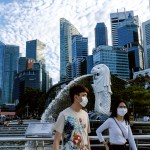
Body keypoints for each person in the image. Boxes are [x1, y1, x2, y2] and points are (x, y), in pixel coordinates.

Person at [53, 84, 91, 150]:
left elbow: (86, 137)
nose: (86, 99)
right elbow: (56, 141)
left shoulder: (85, 114)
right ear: (76, 97)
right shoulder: (64, 114)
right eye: (84, 95)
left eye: (86, 96)